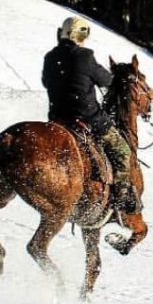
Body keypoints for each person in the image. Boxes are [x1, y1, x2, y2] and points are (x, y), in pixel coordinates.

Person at [41, 16, 139, 215]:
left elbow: (45, 82)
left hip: (58, 119)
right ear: (80, 35)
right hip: (88, 118)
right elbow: (107, 80)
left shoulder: (50, 56)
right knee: (122, 151)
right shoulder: (85, 56)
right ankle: (121, 195)